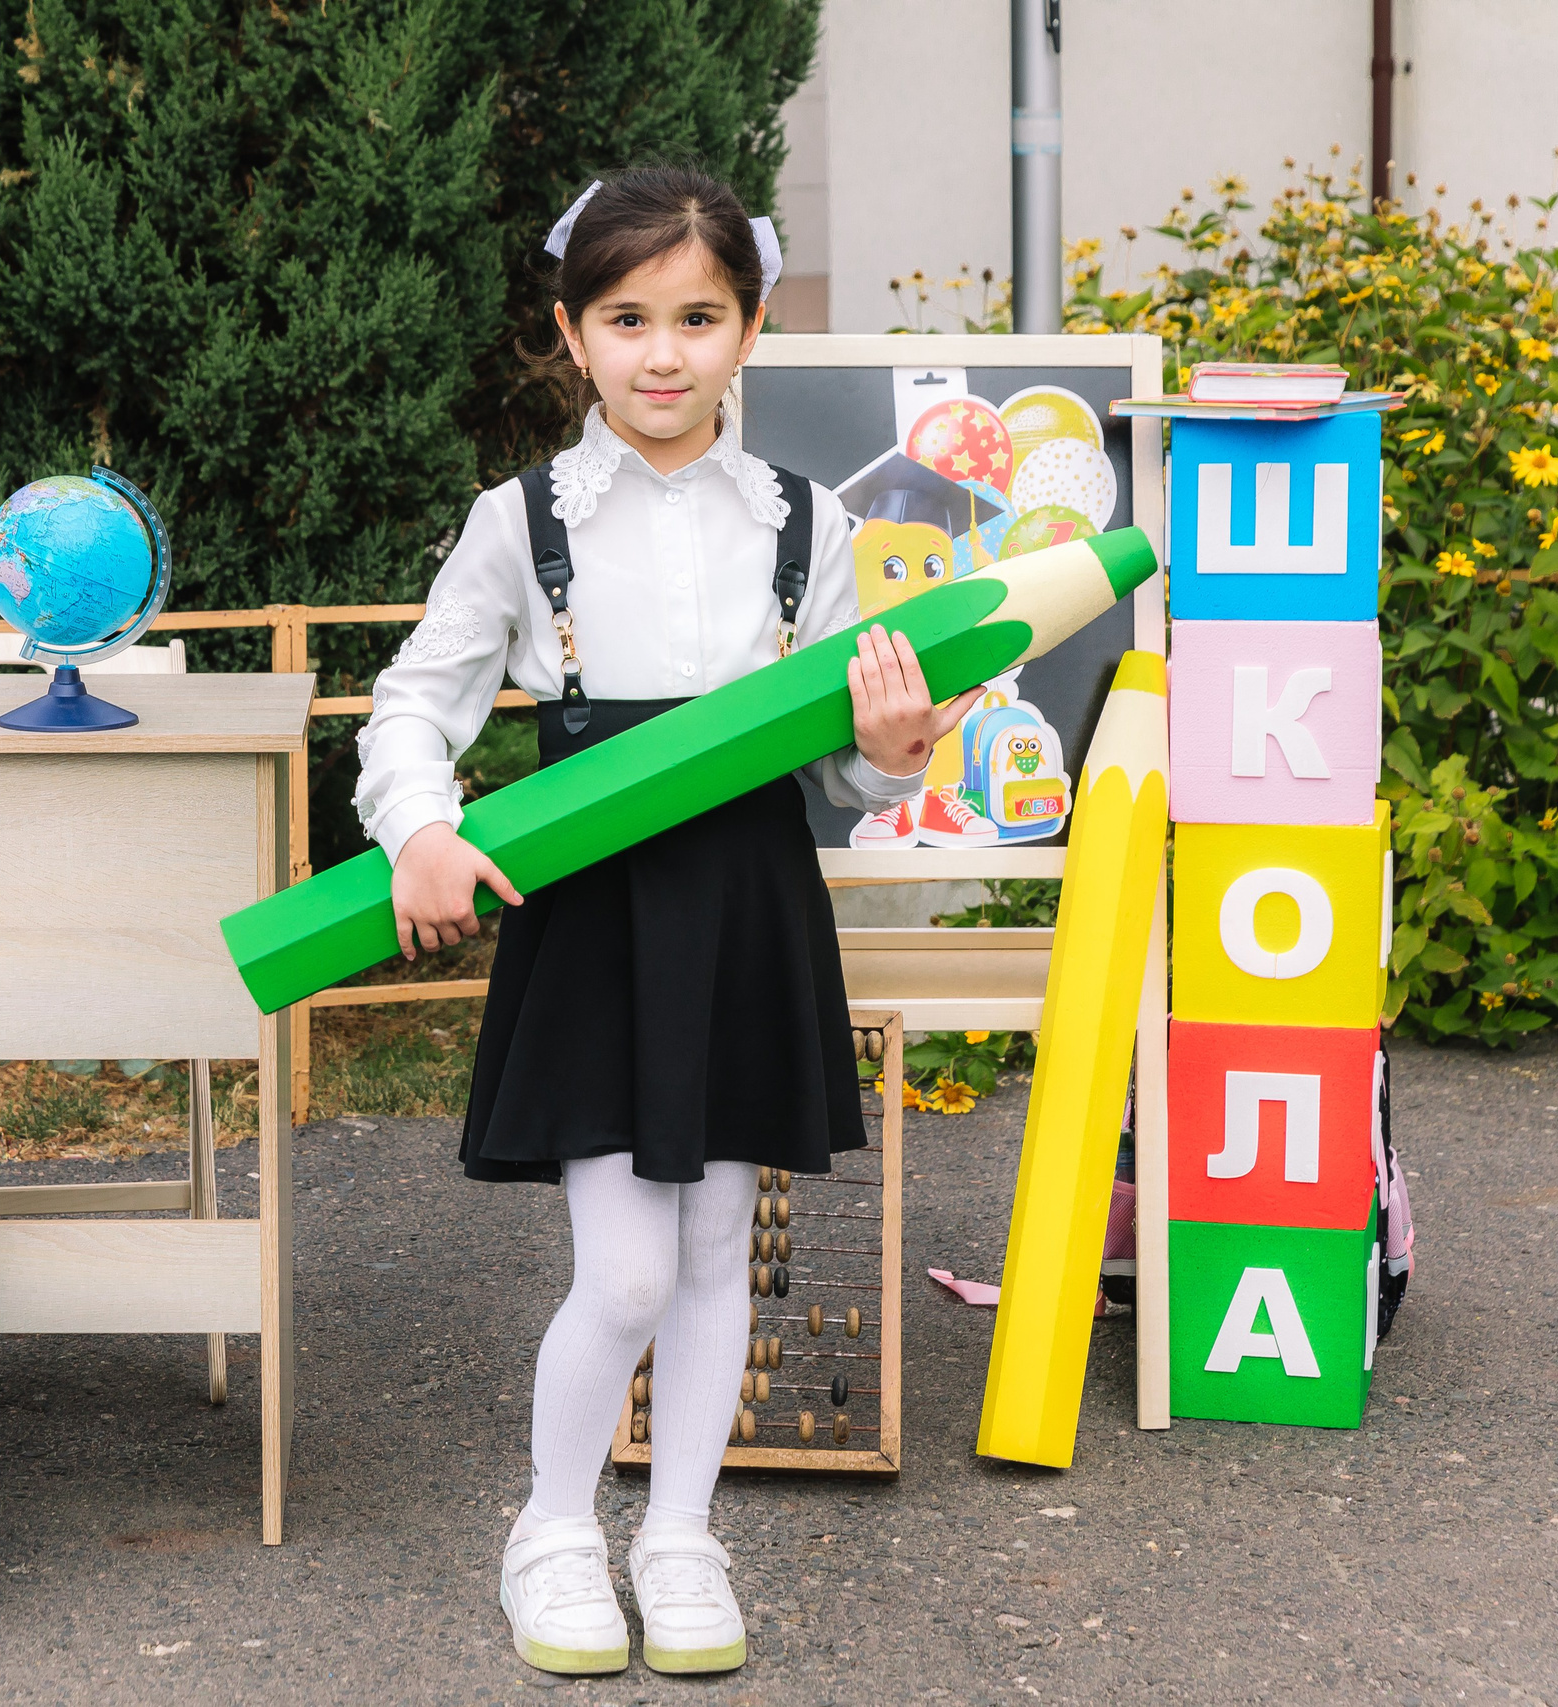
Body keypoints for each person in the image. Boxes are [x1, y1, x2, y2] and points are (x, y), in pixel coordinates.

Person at [351, 164, 978, 1678]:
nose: (662, 352)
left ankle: (682, 1536)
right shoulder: (521, 520)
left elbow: (836, 749)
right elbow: (411, 707)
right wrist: (419, 829)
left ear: (748, 330)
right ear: (573, 334)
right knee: (626, 1269)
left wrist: (895, 749)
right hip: (601, 914)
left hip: (750, 903)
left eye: (698, 317)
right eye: (627, 318)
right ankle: (553, 1528)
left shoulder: (800, 520)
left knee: (715, 1257)